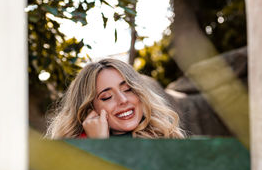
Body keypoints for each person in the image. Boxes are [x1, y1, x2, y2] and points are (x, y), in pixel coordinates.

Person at [46, 58, 186, 139]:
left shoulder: (166, 138)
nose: (123, 100)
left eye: (128, 89)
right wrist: (98, 145)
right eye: (107, 97)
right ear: (90, 110)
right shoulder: (72, 153)